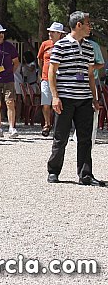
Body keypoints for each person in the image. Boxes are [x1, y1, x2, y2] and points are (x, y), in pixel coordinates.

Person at [46, 11, 104, 186]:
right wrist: (55, 97)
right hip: (66, 99)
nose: (90, 27)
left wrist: (94, 98)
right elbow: (51, 72)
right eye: (88, 24)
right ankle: (53, 171)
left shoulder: (88, 47)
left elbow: (90, 75)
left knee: (85, 138)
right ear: (78, 25)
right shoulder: (61, 45)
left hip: (85, 99)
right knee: (60, 137)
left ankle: (85, 175)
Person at [37, 22, 67, 137]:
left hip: (60, 78)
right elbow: (40, 59)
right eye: (50, 31)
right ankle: (47, 124)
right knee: (45, 102)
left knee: (60, 102)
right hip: (46, 77)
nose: (50, 33)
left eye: (53, 32)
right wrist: (43, 72)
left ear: (60, 34)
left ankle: (59, 125)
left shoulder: (64, 45)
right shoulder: (45, 44)